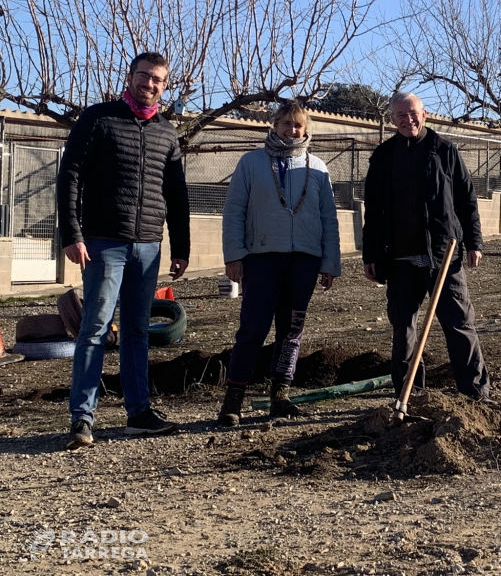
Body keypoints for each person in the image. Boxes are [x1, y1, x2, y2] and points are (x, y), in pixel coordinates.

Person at [58, 52, 191, 451]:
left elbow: (178, 196)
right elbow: (71, 178)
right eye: (144, 76)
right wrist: (72, 234)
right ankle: (82, 418)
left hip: (148, 246)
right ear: (130, 76)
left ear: (165, 86)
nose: (150, 84)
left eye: (158, 80)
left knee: (137, 331)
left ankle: (139, 413)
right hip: (103, 243)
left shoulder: (167, 133)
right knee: (95, 329)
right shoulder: (97, 119)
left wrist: (181, 248)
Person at [218, 101, 341, 425]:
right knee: (253, 328)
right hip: (261, 258)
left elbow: (329, 218)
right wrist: (233, 256)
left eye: (298, 125)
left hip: (305, 260)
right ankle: (233, 401)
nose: (292, 130)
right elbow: (234, 211)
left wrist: (330, 262)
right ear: (274, 125)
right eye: (285, 123)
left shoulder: (318, 167)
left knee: (292, 330)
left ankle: (280, 396)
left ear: (306, 129)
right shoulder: (251, 163)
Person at [363, 92, 490, 401]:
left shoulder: (444, 151)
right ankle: (409, 394)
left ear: (425, 114)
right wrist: (371, 255)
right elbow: (373, 209)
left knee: (459, 325)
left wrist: (473, 242)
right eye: (401, 116)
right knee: (403, 331)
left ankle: (475, 394)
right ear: (392, 120)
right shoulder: (383, 157)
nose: (408, 120)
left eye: (413, 113)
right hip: (400, 259)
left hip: (443, 256)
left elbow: (466, 201)